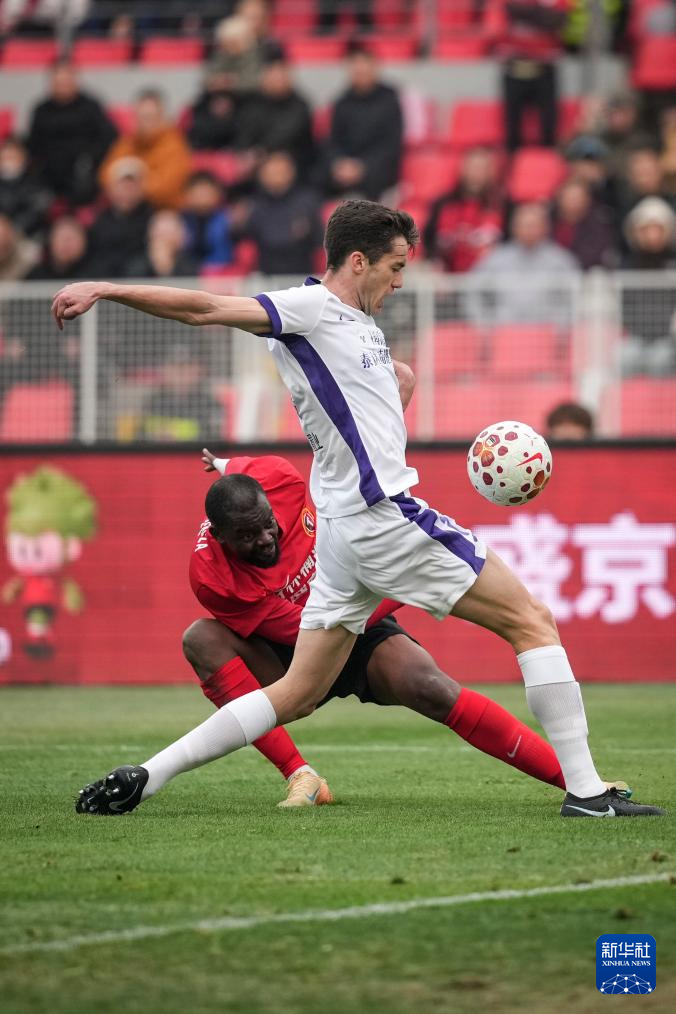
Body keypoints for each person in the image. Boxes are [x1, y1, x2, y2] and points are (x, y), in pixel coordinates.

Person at [52, 200, 664, 818]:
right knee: (531, 621)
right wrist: (107, 289)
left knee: (296, 691)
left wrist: (397, 389)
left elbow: (358, 404)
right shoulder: (310, 307)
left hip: (342, 537)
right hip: (384, 517)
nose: (400, 282)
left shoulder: (359, 323)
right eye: (395, 268)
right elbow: (206, 308)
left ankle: (145, 776)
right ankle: (587, 793)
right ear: (357, 261)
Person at [79, 445, 609, 814]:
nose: (266, 539)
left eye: (268, 524)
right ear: (219, 537)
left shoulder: (280, 479)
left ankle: (580, 783)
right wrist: (409, 583)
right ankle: (301, 774)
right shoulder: (212, 578)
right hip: (298, 644)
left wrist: (221, 464)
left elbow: (241, 468)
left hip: (354, 615)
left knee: (431, 688)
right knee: (201, 638)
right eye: (247, 536)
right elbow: (300, 631)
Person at [468, 201, 579, 328]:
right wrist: (483, 324)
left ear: (545, 228)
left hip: (548, 331)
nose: (529, 230)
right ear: (514, 228)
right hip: (504, 331)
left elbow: (575, 297)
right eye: (524, 225)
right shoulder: (495, 259)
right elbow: (471, 290)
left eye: (534, 225)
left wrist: (562, 326)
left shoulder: (560, 261)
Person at [27, 59, 116, 206]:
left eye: (66, 82)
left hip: (84, 172)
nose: (63, 87)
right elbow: (33, 146)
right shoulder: (41, 110)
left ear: (75, 80)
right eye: (58, 83)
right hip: (49, 174)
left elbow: (108, 138)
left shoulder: (91, 107)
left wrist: (90, 158)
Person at [319, 45, 403, 201]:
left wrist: (363, 167)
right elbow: (332, 141)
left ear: (375, 68)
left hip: (376, 168)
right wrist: (339, 163)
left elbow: (391, 144)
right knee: (318, 176)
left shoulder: (390, 100)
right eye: (356, 67)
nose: (360, 71)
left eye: (365, 66)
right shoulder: (342, 102)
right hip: (346, 166)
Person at [484, 0, 570, 151]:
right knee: (512, 126)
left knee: (549, 125)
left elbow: (558, 20)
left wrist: (520, 12)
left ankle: (548, 160)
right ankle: (513, 162)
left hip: (544, 70)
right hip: (514, 69)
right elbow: (496, 29)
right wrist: (538, 14)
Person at [98, 90, 192, 211]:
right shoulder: (128, 141)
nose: (146, 123)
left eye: (151, 117)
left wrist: (133, 188)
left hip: (162, 209)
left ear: (162, 117)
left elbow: (168, 187)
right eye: (141, 117)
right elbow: (105, 175)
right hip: (126, 208)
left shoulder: (174, 144)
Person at [242, 151, 323, 276]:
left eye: (281, 171)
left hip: (301, 273)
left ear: (291, 172)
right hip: (265, 274)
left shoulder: (308, 201)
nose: (277, 176)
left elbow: (319, 239)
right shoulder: (253, 205)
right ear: (261, 175)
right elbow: (248, 238)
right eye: (272, 172)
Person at [423, 147, 503, 273]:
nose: (476, 173)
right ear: (462, 169)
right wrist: (434, 261)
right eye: (473, 167)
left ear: (491, 172)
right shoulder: (442, 203)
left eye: (482, 168)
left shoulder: (501, 205)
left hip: (490, 277)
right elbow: (429, 240)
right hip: (447, 276)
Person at [236, 57, 315, 175]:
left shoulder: (300, 105)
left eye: (281, 76)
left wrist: (261, 152)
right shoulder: (253, 103)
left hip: (294, 162)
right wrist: (245, 153)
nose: (277, 80)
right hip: (255, 162)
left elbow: (287, 135)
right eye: (273, 75)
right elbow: (244, 135)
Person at [87, 159, 153, 278]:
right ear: (111, 189)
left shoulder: (153, 219)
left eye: (132, 185)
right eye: (123, 185)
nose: (127, 190)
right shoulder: (100, 221)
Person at [551, 179, 617, 270]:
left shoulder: (599, 225)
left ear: (588, 200)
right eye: (569, 198)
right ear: (559, 199)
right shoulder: (548, 221)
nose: (573, 202)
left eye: (577, 198)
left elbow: (596, 254)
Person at [0, 136, 51, 238]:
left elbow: (38, 208)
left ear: (23, 158)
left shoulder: (36, 183)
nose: (9, 161)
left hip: (26, 235)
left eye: (13, 157)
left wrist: (12, 228)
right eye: (5, 157)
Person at [182, 172, 234, 269]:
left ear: (217, 194)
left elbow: (224, 255)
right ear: (188, 195)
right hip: (187, 272)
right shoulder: (181, 221)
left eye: (206, 193)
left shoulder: (228, 220)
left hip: (222, 272)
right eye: (198, 193)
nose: (203, 198)